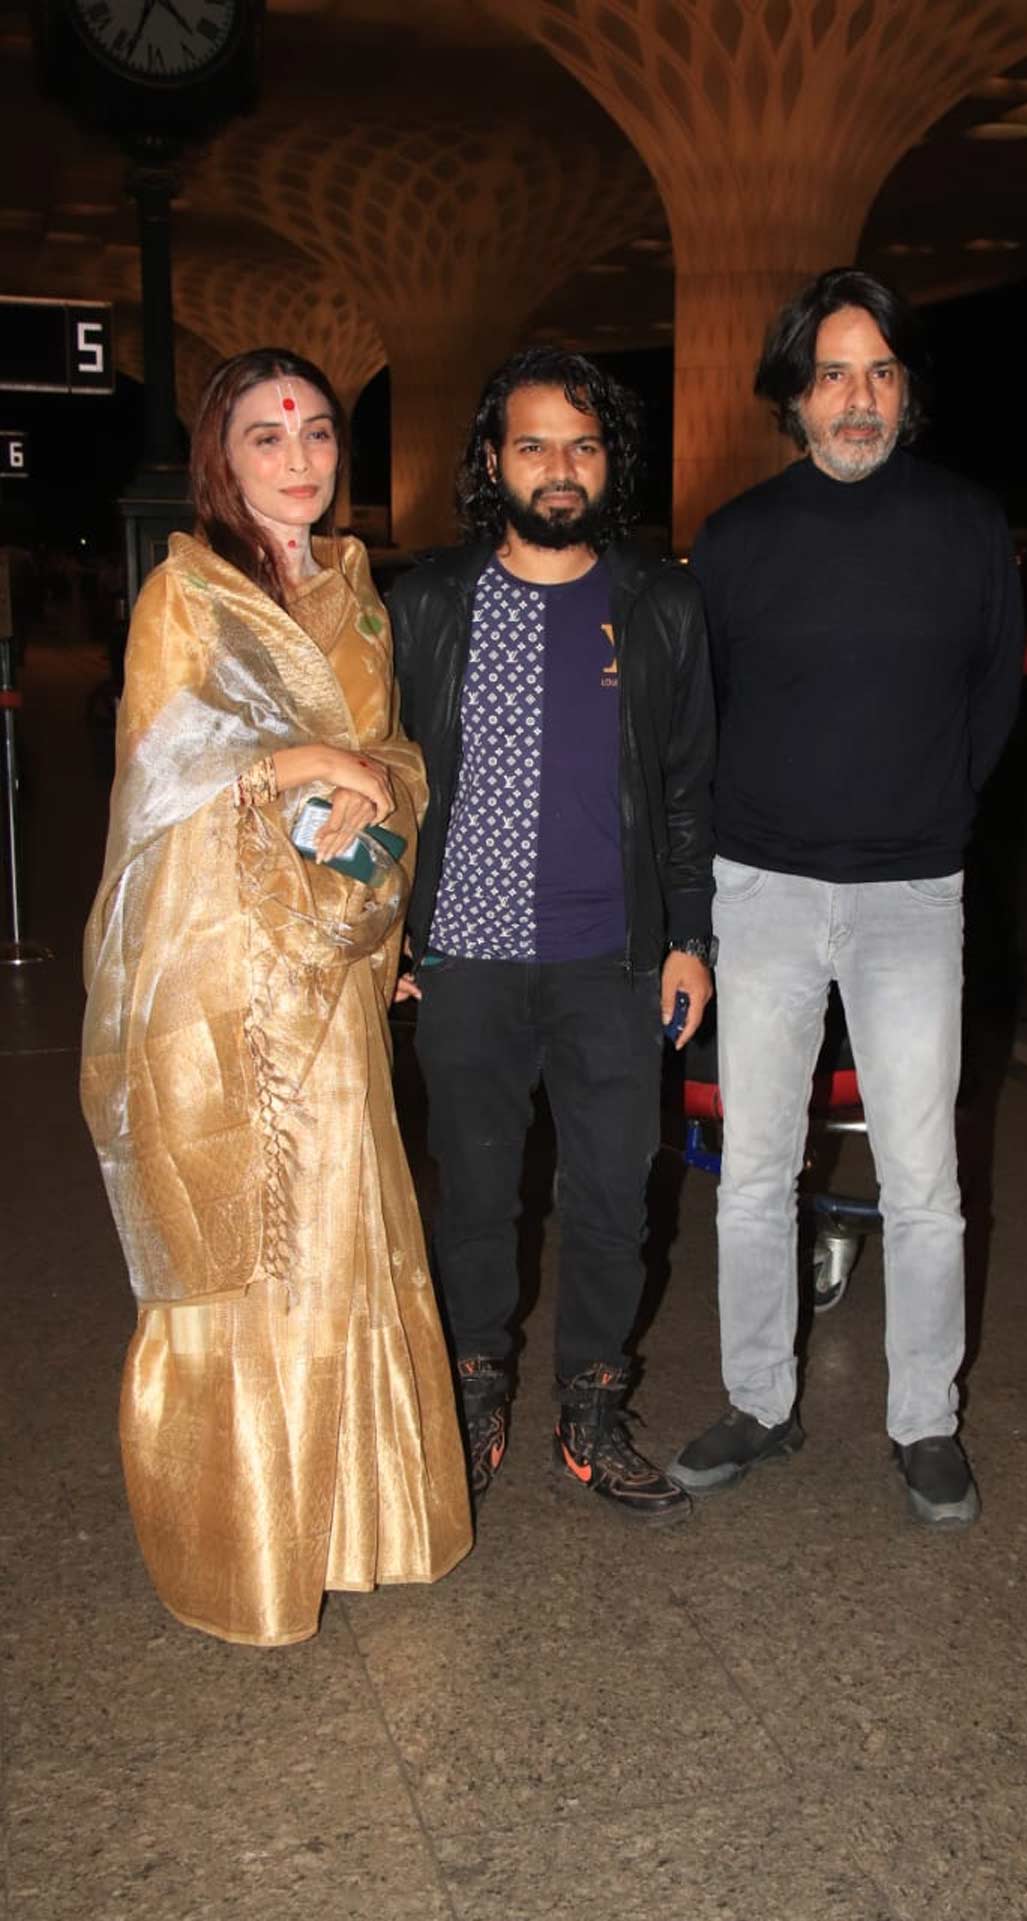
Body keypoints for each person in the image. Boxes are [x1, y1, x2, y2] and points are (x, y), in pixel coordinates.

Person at [81, 348, 471, 1645]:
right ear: (220, 459)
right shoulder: (184, 593)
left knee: (347, 1230)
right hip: (227, 973)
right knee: (251, 1239)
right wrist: (291, 755)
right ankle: (250, 1543)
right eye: (264, 435)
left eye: (313, 431)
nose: (297, 456)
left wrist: (381, 857)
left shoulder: (359, 593)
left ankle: (356, 1520)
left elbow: (399, 755)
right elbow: (155, 770)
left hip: (338, 961)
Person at [669, 269, 1024, 1526]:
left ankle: (925, 1419)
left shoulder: (969, 526)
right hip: (760, 889)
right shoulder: (736, 538)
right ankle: (757, 1402)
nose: (856, 398)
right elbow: (698, 718)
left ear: (905, 391)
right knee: (756, 1170)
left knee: (924, 1180)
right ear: (794, 395)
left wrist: (924, 816)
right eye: (831, 373)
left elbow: (992, 700)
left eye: (878, 372)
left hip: (910, 898)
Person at [389, 347, 715, 1527]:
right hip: (465, 959)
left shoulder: (659, 603)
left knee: (612, 1198)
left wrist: (688, 934)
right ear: (492, 461)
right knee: (474, 1193)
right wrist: (390, 931)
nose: (559, 467)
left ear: (607, 461)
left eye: (581, 444)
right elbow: (386, 778)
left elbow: (686, 787)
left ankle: (590, 1400)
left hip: (611, 958)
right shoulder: (425, 603)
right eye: (533, 444)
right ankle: (473, 1396)